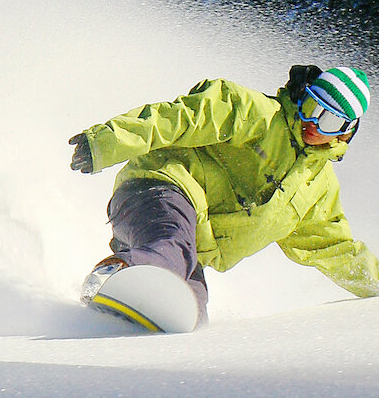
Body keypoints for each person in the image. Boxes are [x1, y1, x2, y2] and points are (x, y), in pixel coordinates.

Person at [69, 65, 379, 325]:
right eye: (311, 107)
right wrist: (106, 142)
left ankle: (111, 329)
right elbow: (182, 118)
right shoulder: (258, 114)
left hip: (187, 244)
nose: (312, 123)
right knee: (172, 249)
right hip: (159, 189)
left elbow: (333, 248)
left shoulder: (317, 189)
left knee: (190, 312)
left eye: (328, 120)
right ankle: (115, 274)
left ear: (346, 130)